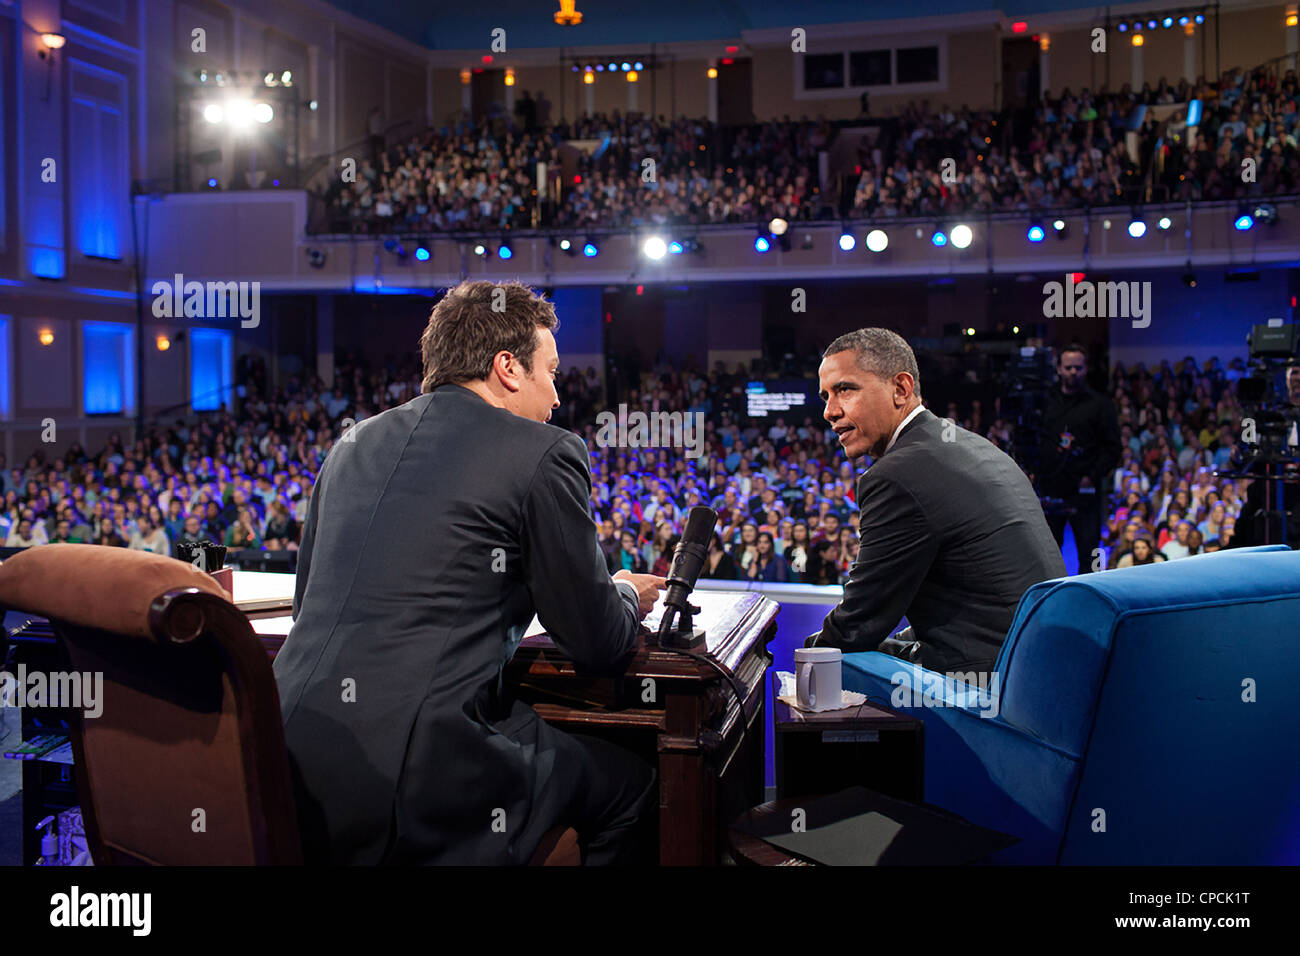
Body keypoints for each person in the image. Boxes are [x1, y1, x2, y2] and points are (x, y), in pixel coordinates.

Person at [274, 280, 664, 866]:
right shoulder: (544, 451)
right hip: (421, 770)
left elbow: (308, 607)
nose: (557, 397)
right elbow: (598, 641)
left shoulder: (351, 444)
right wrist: (625, 592)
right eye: (551, 373)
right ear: (508, 368)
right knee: (636, 785)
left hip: (286, 753)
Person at [805, 328, 1066, 675]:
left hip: (990, 689)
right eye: (825, 396)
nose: (829, 411)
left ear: (901, 389)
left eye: (845, 390)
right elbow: (970, 604)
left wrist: (806, 659)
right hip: (1035, 669)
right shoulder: (973, 446)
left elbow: (858, 623)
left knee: (821, 670)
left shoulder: (896, 476)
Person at [1040, 344, 1122, 573]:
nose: (1073, 372)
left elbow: (1113, 448)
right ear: (1058, 369)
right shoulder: (1044, 402)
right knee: (1046, 555)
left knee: (1090, 554)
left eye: (1078, 367)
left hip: (1084, 492)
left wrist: (1092, 475)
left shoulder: (1101, 405)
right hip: (1049, 490)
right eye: (1068, 367)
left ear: (1086, 369)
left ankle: (1089, 601)